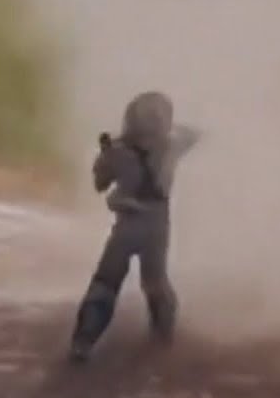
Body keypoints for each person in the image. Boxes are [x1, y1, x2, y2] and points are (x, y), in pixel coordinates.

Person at [68, 91, 201, 364]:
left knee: (107, 282)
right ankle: (162, 336)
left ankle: (84, 341)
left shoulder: (118, 151)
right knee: (155, 282)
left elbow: (100, 186)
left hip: (129, 225)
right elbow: (194, 133)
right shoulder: (173, 146)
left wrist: (105, 160)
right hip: (156, 224)